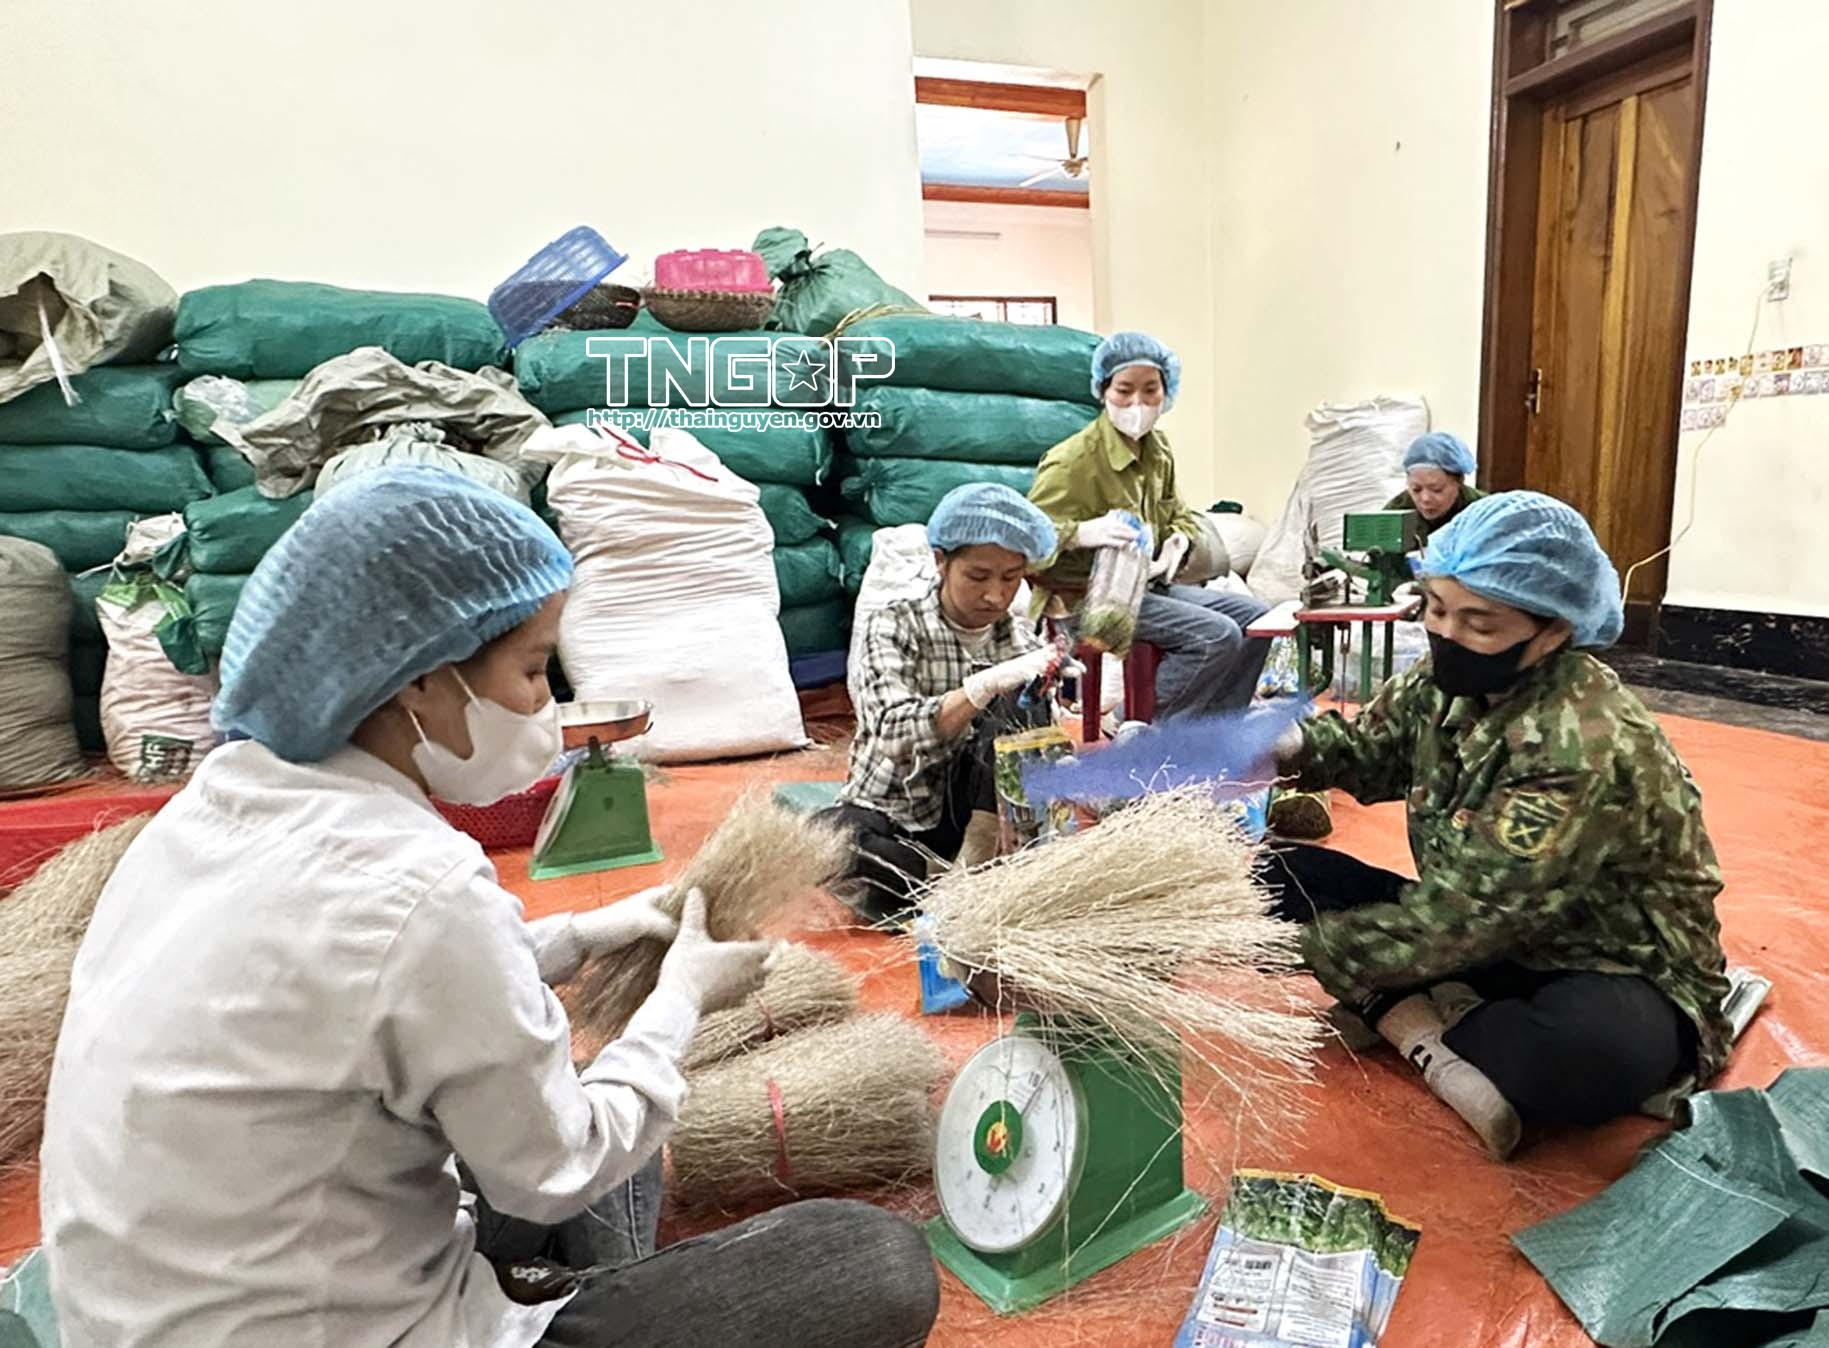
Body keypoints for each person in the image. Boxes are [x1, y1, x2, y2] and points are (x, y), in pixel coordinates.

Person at [39, 468, 940, 1348]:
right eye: (534, 670)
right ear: (416, 677)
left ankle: (585, 1283)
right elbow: (559, 1165)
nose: (547, 704)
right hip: (341, 1325)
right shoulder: (418, 885)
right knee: (870, 1261)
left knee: (563, 1084)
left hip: (140, 1311)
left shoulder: (209, 810)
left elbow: (372, 989)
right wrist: (679, 1003)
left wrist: (587, 933)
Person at [1262, 491, 1732, 1160]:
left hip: (1606, 963)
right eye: (1436, 608)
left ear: (1554, 631)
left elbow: (1469, 919)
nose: (1447, 634)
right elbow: (1375, 752)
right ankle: (1434, 1014)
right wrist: (1292, 748)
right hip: (1483, 930)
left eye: (1479, 624)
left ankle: (1409, 1014)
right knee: (1273, 874)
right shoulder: (1444, 681)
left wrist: (1311, 950)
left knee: (1580, 1059)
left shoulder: (1582, 743)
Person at [828, 482, 1061, 921]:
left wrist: (1043, 690)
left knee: (1020, 701)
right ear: (940, 561)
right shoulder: (894, 625)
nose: (995, 595)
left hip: (973, 819)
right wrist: (978, 689)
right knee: (830, 836)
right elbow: (894, 734)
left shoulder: (1020, 643)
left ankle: (970, 863)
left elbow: (1030, 763)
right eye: (978, 577)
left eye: (1011, 578)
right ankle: (948, 880)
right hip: (893, 810)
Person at [1028, 331, 1271, 720]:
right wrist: (1079, 534)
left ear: (1167, 391)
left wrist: (1179, 540)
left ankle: (1215, 726)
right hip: (1084, 600)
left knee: (1258, 617)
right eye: (1124, 391)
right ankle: (1137, 725)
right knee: (1216, 635)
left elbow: (1178, 511)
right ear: (1103, 390)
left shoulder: (1157, 452)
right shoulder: (1073, 462)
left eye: (1150, 390)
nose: (1137, 403)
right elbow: (1025, 542)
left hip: (1144, 587)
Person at [1386, 430, 1485, 545]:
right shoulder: (1395, 513)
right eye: (1416, 490)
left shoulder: (1482, 510)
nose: (1425, 499)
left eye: (1436, 490)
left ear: (1459, 482)